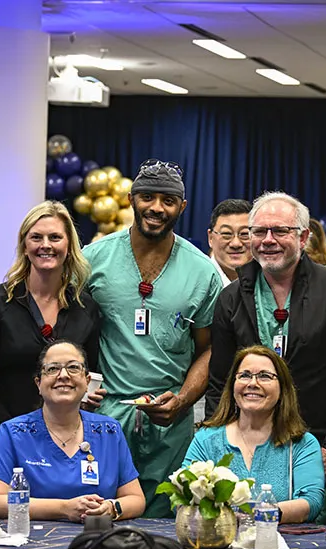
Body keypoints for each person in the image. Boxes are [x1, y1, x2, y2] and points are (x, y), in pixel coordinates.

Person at [206, 191, 326, 522]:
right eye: (258, 232)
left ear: (303, 237)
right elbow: (219, 382)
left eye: (280, 231)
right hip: (248, 448)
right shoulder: (230, 298)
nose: (268, 240)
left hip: (316, 446)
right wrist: (216, 446)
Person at [84, 159, 222, 517]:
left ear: (183, 207)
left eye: (168, 200)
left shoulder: (201, 271)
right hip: (104, 415)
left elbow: (208, 350)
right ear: (131, 198)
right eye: (147, 197)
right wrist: (79, 387)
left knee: (164, 523)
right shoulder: (93, 259)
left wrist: (182, 400)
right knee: (98, 517)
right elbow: (67, 333)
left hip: (169, 420)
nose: (156, 208)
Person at [0, 201, 101, 453]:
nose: (46, 245)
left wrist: (88, 395)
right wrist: (19, 432)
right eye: (36, 237)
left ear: (68, 246)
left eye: (55, 237)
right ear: (24, 245)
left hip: (66, 444)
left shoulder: (86, 308)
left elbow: (90, 373)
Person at [0, 341, 145, 522]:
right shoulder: (13, 432)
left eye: (73, 368)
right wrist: (64, 509)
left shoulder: (109, 431)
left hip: (97, 539)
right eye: (52, 369)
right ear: (38, 383)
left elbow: (136, 499)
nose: (64, 375)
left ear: (87, 381)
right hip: (33, 543)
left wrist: (112, 508)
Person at [184, 346, 324, 521]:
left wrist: (257, 514)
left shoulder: (302, 443)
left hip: (278, 544)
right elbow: (183, 498)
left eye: (265, 376)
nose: (252, 383)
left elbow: (311, 503)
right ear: (232, 385)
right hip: (218, 542)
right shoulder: (205, 440)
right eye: (244, 375)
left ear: (283, 388)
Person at [206, 198, 253, 286]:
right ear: (210, 238)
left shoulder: (269, 281)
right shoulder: (195, 279)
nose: (236, 244)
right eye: (226, 234)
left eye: (244, 234)